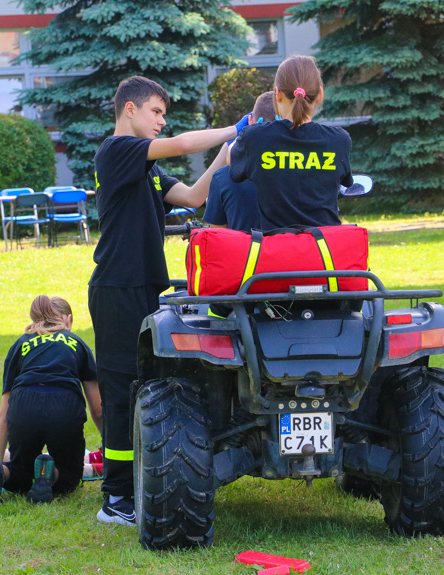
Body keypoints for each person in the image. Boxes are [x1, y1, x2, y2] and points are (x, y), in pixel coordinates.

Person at [89, 77, 241, 525]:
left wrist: (224, 157)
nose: (162, 120)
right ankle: (115, 500)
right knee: (120, 393)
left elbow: (195, 197)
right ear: (130, 110)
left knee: (143, 387)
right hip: (118, 289)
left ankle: (134, 483)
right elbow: (180, 143)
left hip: (145, 289)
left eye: (163, 113)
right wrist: (237, 127)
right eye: (156, 111)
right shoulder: (116, 151)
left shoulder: (147, 168)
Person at [0, 296, 100, 505]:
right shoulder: (77, 343)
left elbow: (3, 415)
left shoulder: (20, 344)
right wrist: (112, 451)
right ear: (68, 320)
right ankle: (50, 474)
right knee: (70, 477)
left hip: (24, 404)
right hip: (64, 404)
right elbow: (97, 409)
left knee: (20, 473)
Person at [228, 55, 353, 231]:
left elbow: (231, 162)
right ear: (319, 94)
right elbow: (345, 182)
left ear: (277, 94)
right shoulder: (339, 140)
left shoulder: (255, 137)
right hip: (324, 253)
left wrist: (240, 133)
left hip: (276, 253)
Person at [204, 91, 276, 232]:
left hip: (244, 254)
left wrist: (238, 137)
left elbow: (218, 236)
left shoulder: (222, 177)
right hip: (290, 253)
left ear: (250, 122)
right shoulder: (300, 171)